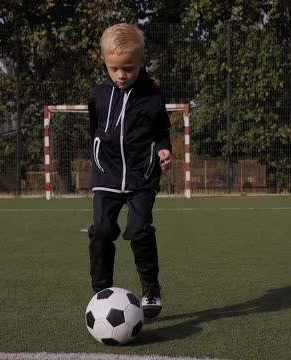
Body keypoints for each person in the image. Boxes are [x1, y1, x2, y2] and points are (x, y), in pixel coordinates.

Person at [87, 23, 172, 319]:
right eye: (115, 68)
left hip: (142, 176)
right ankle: (100, 292)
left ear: (141, 62)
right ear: (105, 63)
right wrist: (99, 156)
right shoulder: (97, 95)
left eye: (129, 68)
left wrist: (163, 149)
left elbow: (162, 130)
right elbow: (95, 130)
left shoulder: (152, 96)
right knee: (101, 231)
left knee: (138, 231)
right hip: (106, 175)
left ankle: (150, 287)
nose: (122, 75)